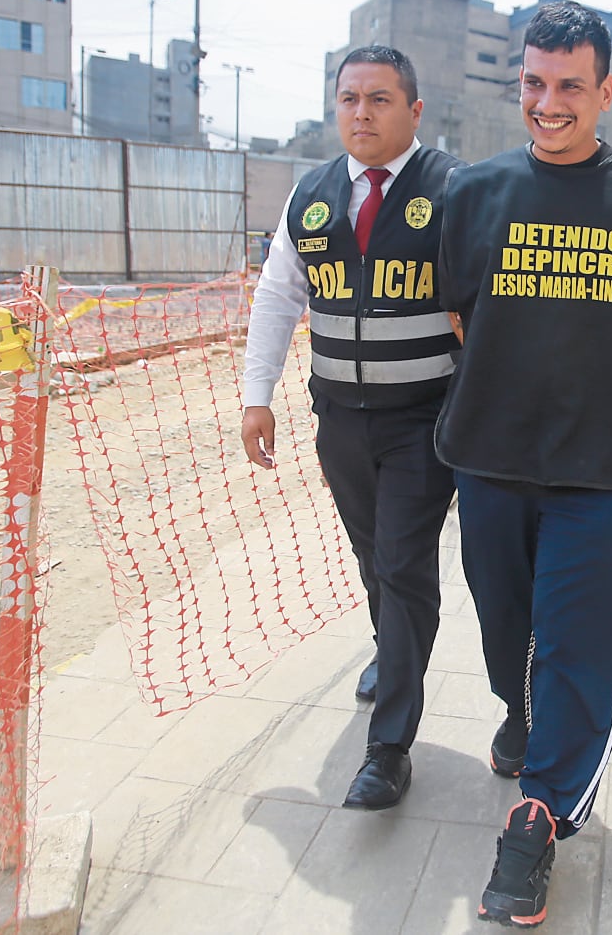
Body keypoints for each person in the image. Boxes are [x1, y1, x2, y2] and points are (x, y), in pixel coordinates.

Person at [433, 0, 612, 927]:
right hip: (489, 460)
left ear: (606, 91)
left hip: (600, 469)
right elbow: (464, 316)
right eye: (535, 84)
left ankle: (539, 816)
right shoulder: (471, 193)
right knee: (508, 629)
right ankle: (516, 705)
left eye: (569, 85)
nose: (549, 103)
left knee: (579, 648)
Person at [241, 45, 464, 811]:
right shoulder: (310, 196)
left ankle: (390, 744)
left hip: (423, 422)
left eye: (378, 100)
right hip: (338, 418)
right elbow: (277, 298)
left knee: (404, 563)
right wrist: (255, 395)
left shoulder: (453, 191)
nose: (360, 114)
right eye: (348, 100)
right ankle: (392, 647)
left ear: (413, 111)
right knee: (374, 554)